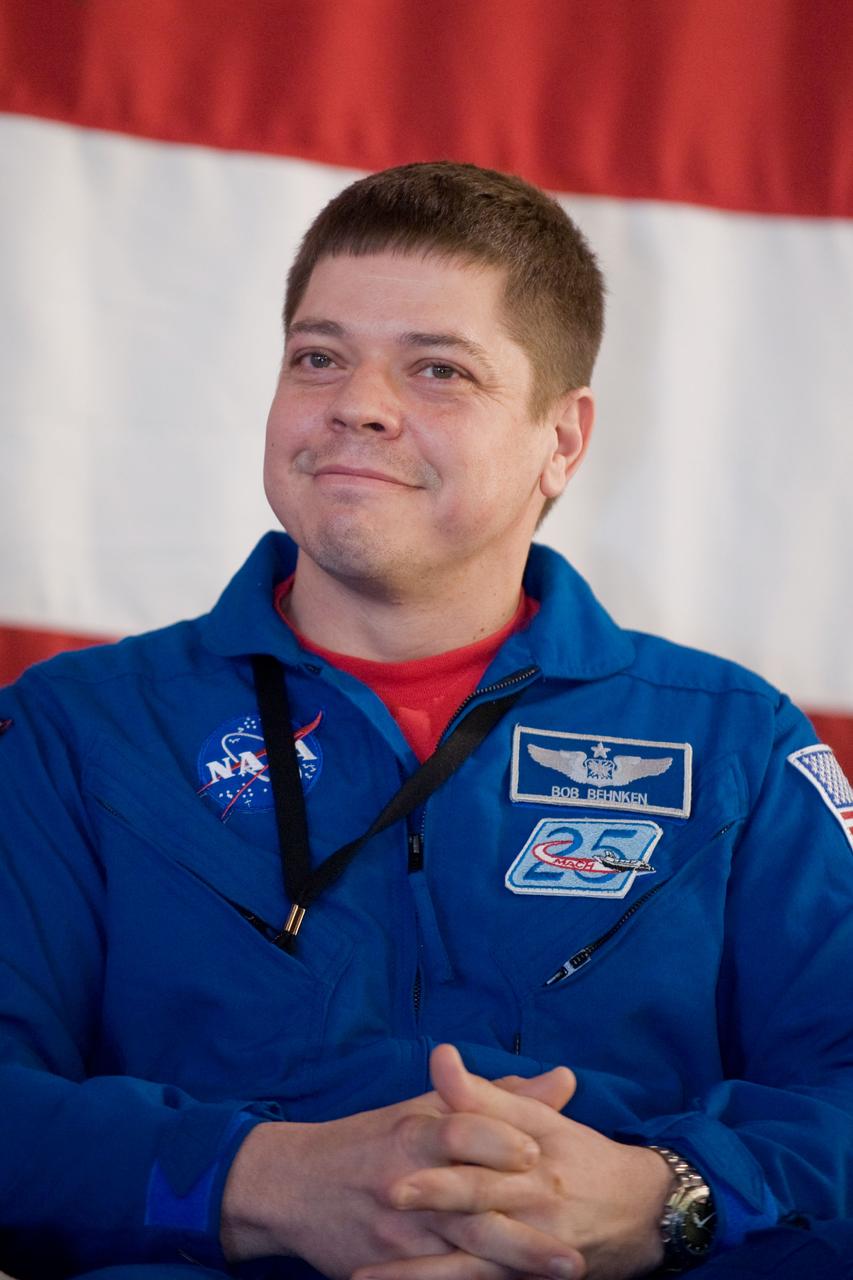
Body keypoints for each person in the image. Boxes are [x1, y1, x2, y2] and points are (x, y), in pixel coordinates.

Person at [1, 161, 853, 1280]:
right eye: (319, 356)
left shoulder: (734, 743)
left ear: (563, 437)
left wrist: (663, 1195)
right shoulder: (76, 732)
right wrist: (258, 1179)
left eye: (438, 368)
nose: (356, 400)